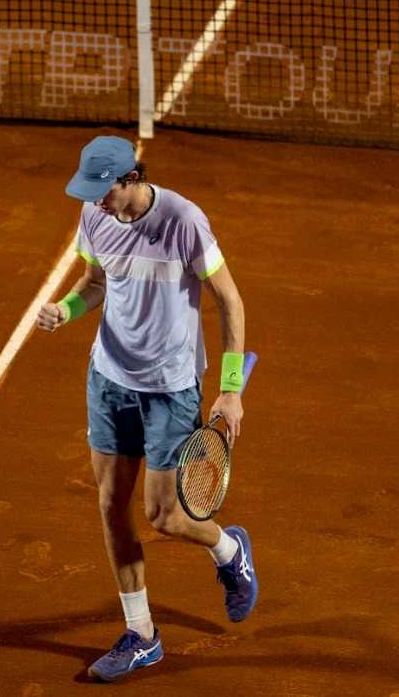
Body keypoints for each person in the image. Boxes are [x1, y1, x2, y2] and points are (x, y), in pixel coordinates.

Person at [36, 135, 256, 682]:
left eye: (102, 190)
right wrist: (65, 311)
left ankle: (229, 550)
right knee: (113, 505)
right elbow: (92, 284)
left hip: (170, 387)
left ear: (130, 179)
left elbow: (228, 299)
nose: (95, 201)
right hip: (109, 378)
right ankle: (142, 636)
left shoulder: (184, 221)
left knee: (166, 517)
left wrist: (230, 390)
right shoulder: (94, 216)